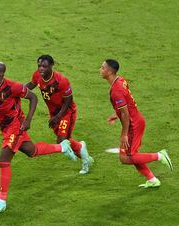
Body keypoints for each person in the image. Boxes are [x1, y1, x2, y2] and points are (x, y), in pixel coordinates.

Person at [0, 61, 77, 216]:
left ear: (1, 74)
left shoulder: (12, 87)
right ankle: (62, 147)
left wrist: (28, 120)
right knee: (31, 151)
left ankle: (1, 202)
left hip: (16, 127)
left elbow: (33, 97)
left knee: (3, 160)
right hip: (4, 128)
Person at [100, 59, 173, 188]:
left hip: (133, 125)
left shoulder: (116, 90)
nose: (100, 70)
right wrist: (116, 114)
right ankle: (152, 179)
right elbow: (126, 106)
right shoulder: (120, 80)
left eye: (103, 68)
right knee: (132, 155)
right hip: (136, 120)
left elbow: (126, 113)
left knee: (126, 158)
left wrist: (124, 134)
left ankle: (159, 156)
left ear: (110, 72)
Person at [26, 55, 93, 174]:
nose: (41, 68)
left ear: (51, 66)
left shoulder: (61, 81)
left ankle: (85, 159)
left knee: (61, 141)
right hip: (54, 113)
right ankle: (81, 149)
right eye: (39, 65)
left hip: (67, 111)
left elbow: (68, 100)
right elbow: (31, 85)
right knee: (65, 140)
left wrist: (58, 116)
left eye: (44, 66)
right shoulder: (37, 75)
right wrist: (16, 91)